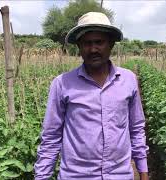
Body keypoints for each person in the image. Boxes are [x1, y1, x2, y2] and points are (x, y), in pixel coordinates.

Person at [34, 12, 149, 180]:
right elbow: (51, 138)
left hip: (119, 175)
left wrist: (144, 174)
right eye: (87, 43)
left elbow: (136, 129)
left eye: (99, 42)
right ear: (79, 47)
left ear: (110, 44)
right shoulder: (62, 84)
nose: (93, 49)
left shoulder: (128, 79)